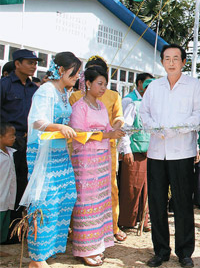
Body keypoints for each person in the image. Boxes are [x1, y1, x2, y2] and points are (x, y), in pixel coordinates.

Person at [140, 44, 200, 268]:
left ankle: (185, 251)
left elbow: (199, 113)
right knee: (157, 202)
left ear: (183, 62)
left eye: (176, 58)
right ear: (162, 61)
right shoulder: (154, 86)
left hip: (182, 151)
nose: (171, 62)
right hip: (157, 152)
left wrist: (178, 129)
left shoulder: (194, 85)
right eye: (167, 58)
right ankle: (160, 250)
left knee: (183, 203)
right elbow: (143, 112)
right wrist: (154, 127)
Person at [22, 52, 81, 267]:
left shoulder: (64, 92)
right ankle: (37, 258)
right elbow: (37, 121)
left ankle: (49, 250)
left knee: (65, 197)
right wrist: (59, 127)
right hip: (43, 154)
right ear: (62, 70)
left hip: (60, 153)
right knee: (44, 203)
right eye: (75, 72)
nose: (77, 77)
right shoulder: (46, 91)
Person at [69, 66, 125, 266]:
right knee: (86, 203)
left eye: (105, 84)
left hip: (102, 158)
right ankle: (84, 248)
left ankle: (96, 245)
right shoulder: (79, 107)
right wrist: (108, 135)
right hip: (85, 161)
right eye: (100, 84)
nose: (103, 88)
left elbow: (108, 127)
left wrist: (117, 129)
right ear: (88, 83)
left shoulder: (101, 106)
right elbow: (78, 134)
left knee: (100, 203)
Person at [0, 49, 41, 244]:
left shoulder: (35, 89)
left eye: (35, 63)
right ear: (17, 64)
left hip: (30, 140)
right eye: (30, 62)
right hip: (9, 141)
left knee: (24, 183)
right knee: (8, 184)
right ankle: (5, 232)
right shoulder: (5, 86)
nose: (34, 66)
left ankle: (16, 230)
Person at [118, 74, 154, 231]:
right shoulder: (132, 103)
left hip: (150, 153)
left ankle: (143, 220)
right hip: (134, 151)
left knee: (147, 189)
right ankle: (127, 221)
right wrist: (126, 150)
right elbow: (125, 128)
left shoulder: (154, 106)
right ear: (142, 86)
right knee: (131, 187)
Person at [0, 122, 16, 245]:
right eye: (11, 135)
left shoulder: (11, 152)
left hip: (7, 197)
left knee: (4, 225)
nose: (14, 138)